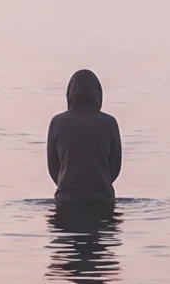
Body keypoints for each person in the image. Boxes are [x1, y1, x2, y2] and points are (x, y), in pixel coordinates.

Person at [46, 69, 122, 204]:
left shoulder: (57, 122)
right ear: (99, 95)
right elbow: (115, 166)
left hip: (66, 198)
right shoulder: (109, 122)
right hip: (102, 198)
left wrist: (69, 186)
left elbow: (53, 168)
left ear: (69, 94)